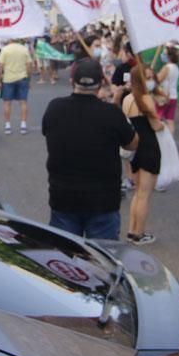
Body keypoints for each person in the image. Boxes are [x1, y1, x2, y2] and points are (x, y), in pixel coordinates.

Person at [41, 58, 138, 239]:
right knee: (102, 260)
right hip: (103, 201)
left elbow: (47, 132)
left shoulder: (55, 108)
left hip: (64, 198)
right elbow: (132, 143)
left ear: (72, 82)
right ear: (101, 83)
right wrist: (115, 102)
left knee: (65, 261)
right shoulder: (111, 113)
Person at [121, 63, 162, 245]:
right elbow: (156, 125)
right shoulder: (145, 99)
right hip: (149, 146)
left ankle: (132, 230)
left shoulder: (128, 98)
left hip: (135, 148)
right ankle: (139, 233)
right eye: (148, 77)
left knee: (138, 193)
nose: (151, 81)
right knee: (145, 194)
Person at [0, 36, 33, 135]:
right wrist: (29, 78)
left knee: (7, 103)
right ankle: (23, 125)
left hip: (8, 78)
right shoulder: (24, 49)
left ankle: (8, 125)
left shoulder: (5, 49)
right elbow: (29, 65)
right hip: (22, 77)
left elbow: (0, 66)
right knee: (23, 102)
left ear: (10, 39)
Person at [154, 45, 179, 133]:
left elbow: (158, 80)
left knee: (158, 118)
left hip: (163, 96)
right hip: (173, 96)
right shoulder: (176, 68)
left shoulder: (166, 68)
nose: (162, 55)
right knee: (170, 120)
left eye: (164, 53)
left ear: (168, 56)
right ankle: (171, 141)